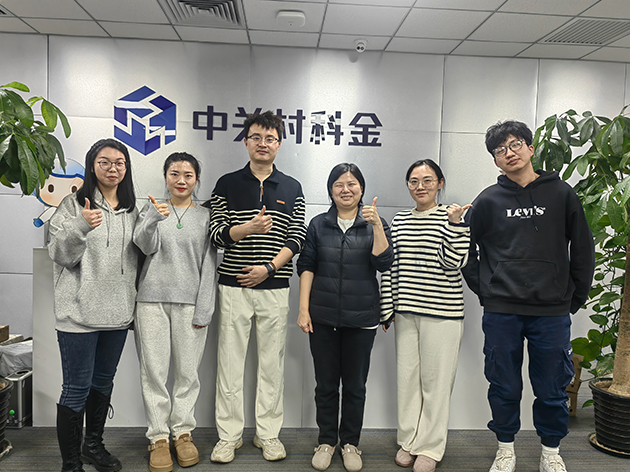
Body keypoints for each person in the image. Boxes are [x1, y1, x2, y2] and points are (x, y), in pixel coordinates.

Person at [462, 121, 595, 472]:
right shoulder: (487, 200)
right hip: (502, 309)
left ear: (531, 148)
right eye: (500, 149)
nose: (509, 153)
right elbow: (466, 250)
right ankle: (505, 448)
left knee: (552, 387)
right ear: (495, 160)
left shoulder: (562, 194)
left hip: (551, 310)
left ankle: (550, 451)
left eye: (515, 144)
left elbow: (583, 248)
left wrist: (574, 297)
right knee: (503, 384)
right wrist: (486, 290)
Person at [207, 111, 306, 464]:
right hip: (233, 286)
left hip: (274, 286)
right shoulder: (226, 183)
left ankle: (268, 434)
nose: (263, 144)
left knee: (271, 366)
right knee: (229, 364)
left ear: (279, 144)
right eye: (256, 138)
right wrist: (247, 228)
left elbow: (297, 237)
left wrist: (269, 268)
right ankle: (228, 436)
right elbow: (215, 235)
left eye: (270, 139)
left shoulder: (292, 187)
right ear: (246, 142)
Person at [48, 138, 139, 472]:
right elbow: (60, 254)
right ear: (91, 165)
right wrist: (82, 224)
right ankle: (71, 463)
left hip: (117, 315)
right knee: (76, 389)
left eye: (119, 162)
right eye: (105, 162)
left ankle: (93, 446)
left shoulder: (133, 209)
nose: (113, 168)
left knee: (103, 383)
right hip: (77, 316)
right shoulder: (72, 205)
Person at [297, 163, 394, 472]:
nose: (346, 189)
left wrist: (376, 226)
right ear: (331, 190)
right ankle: (326, 441)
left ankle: (350, 443)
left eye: (352, 184)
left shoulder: (374, 223)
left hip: (362, 319)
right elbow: (307, 265)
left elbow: (384, 263)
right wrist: (303, 309)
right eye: (339, 184)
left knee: (355, 386)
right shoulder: (318, 224)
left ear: (361, 189)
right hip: (323, 318)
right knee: (325, 386)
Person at [380, 159, 471, 472]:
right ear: (408, 185)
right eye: (414, 181)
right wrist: (387, 307)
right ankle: (408, 441)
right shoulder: (400, 220)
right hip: (406, 312)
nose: (421, 187)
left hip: (443, 313)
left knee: (436, 384)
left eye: (428, 180)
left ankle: (430, 447)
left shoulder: (451, 217)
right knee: (407, 381)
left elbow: (454, 262)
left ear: (440, 183)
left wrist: (456, 225)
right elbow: (391, 266)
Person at [133, 152, 217, 472]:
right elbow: (144, 246)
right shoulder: (152, 208)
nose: (181, 180)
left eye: (188, 175)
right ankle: (158, 436)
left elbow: (210, 265)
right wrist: (154, 218)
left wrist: (205, 308)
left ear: (197, 179)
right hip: (151, 301)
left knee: (187, 373)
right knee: (153, 372)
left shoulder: (206, 216)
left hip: (190, 303)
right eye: (174, 174)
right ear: (165, 176)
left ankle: (182, 432)